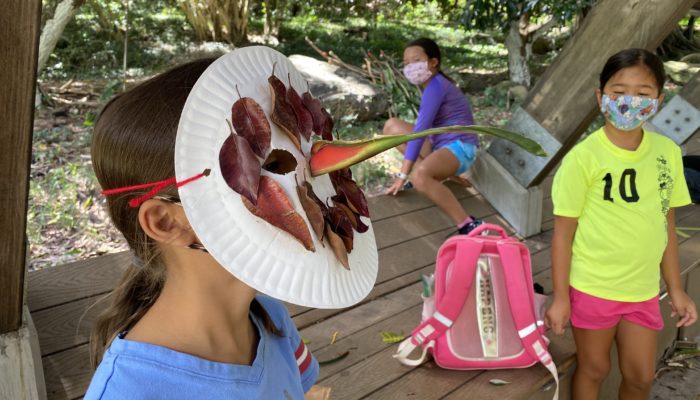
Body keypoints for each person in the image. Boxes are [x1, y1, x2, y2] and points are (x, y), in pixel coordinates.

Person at [84, 59, 320, 399]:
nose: (300, 181)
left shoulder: (270, 317)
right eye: (262, 168)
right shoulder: (130, 392)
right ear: (167, 222)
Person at [545, 48, 697, 400]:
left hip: (642, 291)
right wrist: (561, 297)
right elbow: (563, 236)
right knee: (595, 369)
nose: (630, 101)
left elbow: (666, 226)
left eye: (643, 94)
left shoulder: (667, 153)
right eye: (619, 92)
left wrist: (675, 289)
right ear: (601, 97)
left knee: (641, 377)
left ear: (658, 99)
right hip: (592, 288)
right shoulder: (582, 158)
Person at [384, 38, 482, 235]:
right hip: (441, 145)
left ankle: (467, 224)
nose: (411, 66)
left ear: (433, 62)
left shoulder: (436, 87)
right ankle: (438, 175)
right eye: (407, 63)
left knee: (419, 177)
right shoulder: (433, 85)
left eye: (416, 60)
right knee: (391, 127)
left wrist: (403, 175)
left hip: (461, 148)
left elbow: (420, 134)